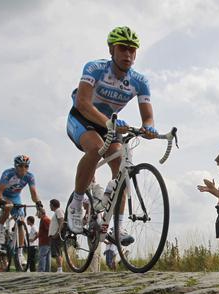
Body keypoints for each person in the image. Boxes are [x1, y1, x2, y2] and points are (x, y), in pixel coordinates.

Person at [66, 26, 157, 246]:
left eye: (132, 50)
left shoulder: (140, 81)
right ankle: (77, 204)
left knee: (122, 163)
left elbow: (148, 117)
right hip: (83, 118)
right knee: (96, 147)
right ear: (111, 50)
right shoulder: (95, 68)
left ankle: (116, 224)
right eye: (123, 49)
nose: (128, 54)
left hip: (110, 125)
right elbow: (83, 103)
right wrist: (109, 123)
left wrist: (149, 128)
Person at [0, 155, 43, 265]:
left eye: (26, 166)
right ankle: (1, 229)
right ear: (16, 166)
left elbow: (33, 193)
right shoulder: (8, 173)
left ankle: (20, 253)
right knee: (9, 206)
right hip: (3, 195)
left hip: (15, 197)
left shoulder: (30, 176)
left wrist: (38, 203)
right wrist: (2, 201)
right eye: (20, 166)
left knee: (21, 221)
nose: (23, 169)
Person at [48, 199, 65, 273]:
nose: (49, 206)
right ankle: (59, 268)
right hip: (54, 235)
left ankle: (60, 268)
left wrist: (57, 233)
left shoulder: (58, 211)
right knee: (57, 252)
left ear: (53, 205)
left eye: (50, 205)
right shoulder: (57, 212)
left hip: (56, 236)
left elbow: (61, 221)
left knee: (57, 252)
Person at [37, 207, 51, 272]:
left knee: (42, 256)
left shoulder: (45, 220)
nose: (37, 215)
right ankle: (47, 271)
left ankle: (41, 271)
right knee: (47, 258)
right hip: (45, 242)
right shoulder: (43, 219)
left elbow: (49, 230)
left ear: (40, 213)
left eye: (38, 213)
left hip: (45, 242)